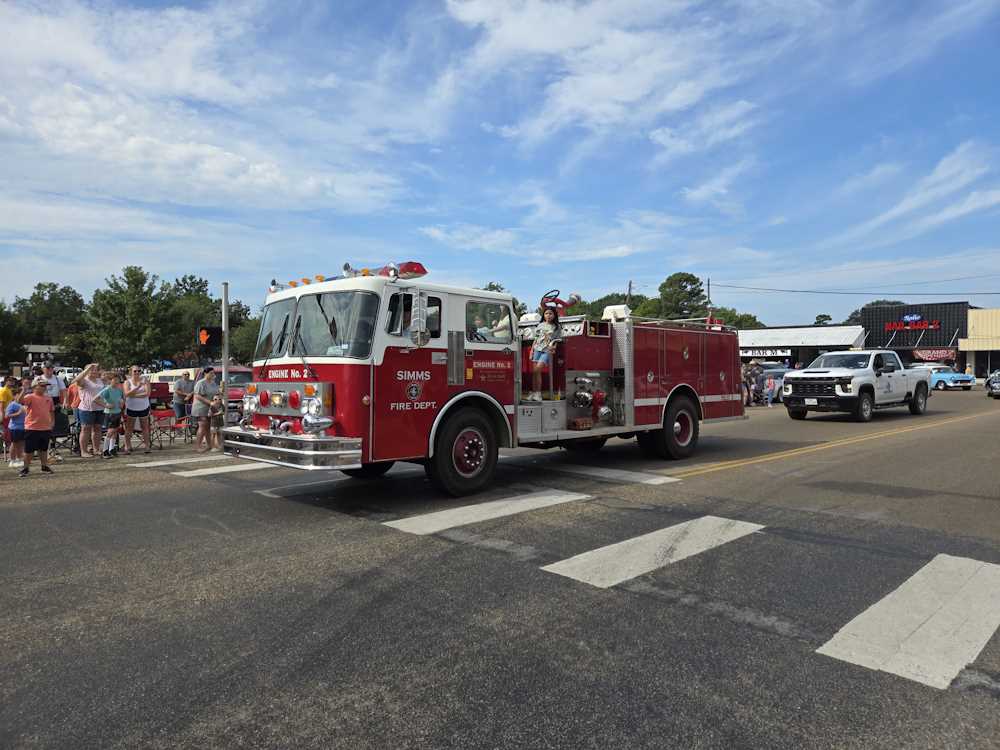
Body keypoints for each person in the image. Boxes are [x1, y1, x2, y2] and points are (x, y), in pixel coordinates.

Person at [18, 377, 55, 477]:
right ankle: (25, 467)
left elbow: (51, 411)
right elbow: (19, 401)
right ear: (35, 387)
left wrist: (52, 422)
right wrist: (24, 390)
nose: (44, 388)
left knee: (43, 449)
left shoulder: (48, 398)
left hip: (45, 427)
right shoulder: (30, 397)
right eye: (42, 386)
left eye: (45, 386)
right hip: (32, 427)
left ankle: (44, 465)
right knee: (29, 450)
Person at [528, 306, 562, 401]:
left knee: (537, 369)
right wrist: (531, 350)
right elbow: (536, 338)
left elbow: (558, 340)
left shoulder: (557, 327)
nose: (548, 315)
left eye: (550, 313)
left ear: (554, 315)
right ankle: (534, 392)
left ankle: (538, 394)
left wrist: (554, 347)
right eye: (546, 313)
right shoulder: (540, 325)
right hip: (537, 349)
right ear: (543, 315)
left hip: (547, 350)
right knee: (535, 372)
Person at [72, 364, 105, 457]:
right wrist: (87, 370)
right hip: (87, 408)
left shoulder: (99, 380)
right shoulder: (84, 380)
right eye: (91, 370)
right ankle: (83, 451)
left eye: (95, 370)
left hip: (99, 408)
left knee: (98, 428)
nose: (94, 371)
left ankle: (96, 449)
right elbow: (77, 380)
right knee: (85, 429)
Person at [123, 366, 152, 454]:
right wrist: (138, 387)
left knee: (144, 427)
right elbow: (127, 393)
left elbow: (147, 393)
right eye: (135, 371)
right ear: (131, 372)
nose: (137, 372)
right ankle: (127, 446)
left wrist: (134, 395)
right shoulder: (127, 382)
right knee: (129, 428)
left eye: (139, 371)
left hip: (144, 407)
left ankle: (147, 446)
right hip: (132, 407)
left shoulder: (145, 380)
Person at [192, 367, 220, 452]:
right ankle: (198, 446)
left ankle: (209, 445)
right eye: (211, 373)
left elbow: (216, 393)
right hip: (201, 407)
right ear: (205, 373)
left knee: (208, 427)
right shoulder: (201, 383)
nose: (213, 374)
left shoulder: (213, 383)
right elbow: (197, 395)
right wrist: (209, 402)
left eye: (213, 373)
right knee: (202, 426)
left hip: (210, 408)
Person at [97, 373, 125, 458]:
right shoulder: (107, 389)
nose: (117, 381)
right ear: (110, 380)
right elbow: (96, 399)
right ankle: (105, 450)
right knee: (110, 431)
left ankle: (111, 449)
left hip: (117, 412)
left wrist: (122, 403)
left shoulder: (119, 390)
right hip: (110, 413)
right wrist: (106, 405)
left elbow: (121, 399)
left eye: (118, 380)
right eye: (115, 379)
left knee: (115, 431)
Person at [5, 381, 26, 468]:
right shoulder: (12, 404)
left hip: (22, 427)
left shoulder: (21, 404)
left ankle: (18, 459)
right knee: (14, 444)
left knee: (20, 444)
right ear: (16, 395)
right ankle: (12, 460)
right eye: (20, 394)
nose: (22, 396)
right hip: (14, 428)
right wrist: (18, 413)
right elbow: (7, 415)